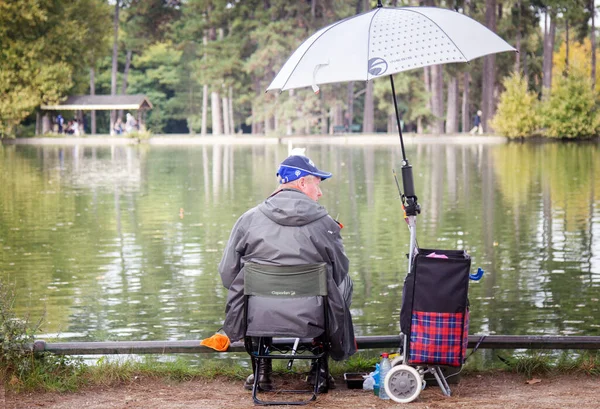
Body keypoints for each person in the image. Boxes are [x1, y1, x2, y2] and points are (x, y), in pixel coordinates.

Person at [219, 154, 356, 391]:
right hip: (312, 312)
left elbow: (227, 274)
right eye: (317, 184)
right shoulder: (326, 223)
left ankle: (262, 373)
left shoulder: (249, 219)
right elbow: (340, 273)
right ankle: (319, 373)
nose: (320, 193)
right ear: (302, 183)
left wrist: (269, 286)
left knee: (248, 288)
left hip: (260, 312)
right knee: (345, 284)